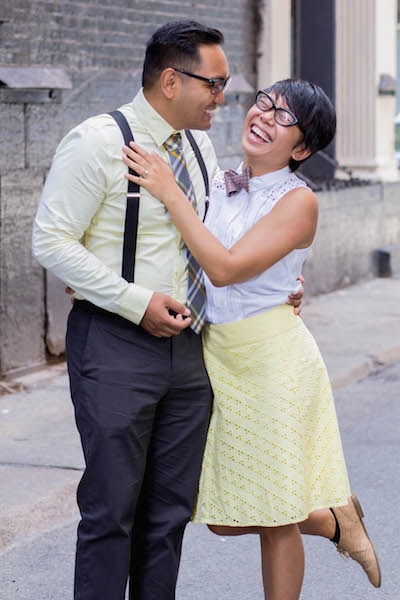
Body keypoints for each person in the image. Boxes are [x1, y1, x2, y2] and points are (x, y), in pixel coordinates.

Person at [32, 19, 303, 600]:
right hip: (115, 345)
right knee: (111, 511)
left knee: (168, 516)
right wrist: (135, 302)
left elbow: (220, 237)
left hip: (191, 351)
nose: (222, 97)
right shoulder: (97, 141)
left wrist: (278, 284)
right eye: (214, 84)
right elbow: (50, 241)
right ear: (172, 81)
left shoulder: (200, 147)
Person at [121, 78, 381, 599]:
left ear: (301, 149)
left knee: (274, 513)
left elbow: (225, 269)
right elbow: (177, 250)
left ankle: (332, 520)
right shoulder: (215, 182)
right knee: (223, 516)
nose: (264, 116)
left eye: (284, 117)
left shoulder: (299, 201)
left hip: (271, 360)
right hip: (214, 355)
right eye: (264, 103)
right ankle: (334, 519)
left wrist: (170, 191)